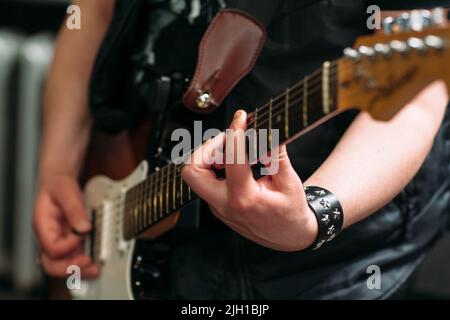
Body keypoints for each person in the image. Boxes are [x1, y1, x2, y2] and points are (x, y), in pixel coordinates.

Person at [33, 0, 450, 299]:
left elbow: (415, 95)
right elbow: (94, 11)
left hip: (316, 266)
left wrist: (316, 214)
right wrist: (57, 169)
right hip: (126, 176)